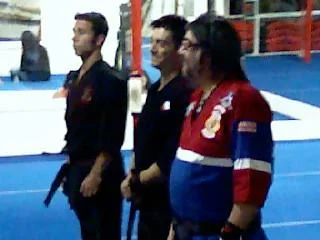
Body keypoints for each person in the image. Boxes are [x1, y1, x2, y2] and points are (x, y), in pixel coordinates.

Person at [169, 13, 273, 240]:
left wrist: (230, 232)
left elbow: (251, 179)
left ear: (206, 56)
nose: (180, 52)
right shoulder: (198, 99)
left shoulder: (243, 100)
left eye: (187, 45)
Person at [121, 15, 191, 240]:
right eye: (152, 42)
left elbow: (171, 153)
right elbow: (141, 139)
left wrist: (137, 180)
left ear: (179, 49)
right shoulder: (154, 91)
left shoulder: (183, 94)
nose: (153, 49)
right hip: (147, 198)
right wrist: (132, 174)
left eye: (162, 43)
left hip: (168, 201)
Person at [63, 12, 127, 240]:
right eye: (74, 32)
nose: (74, 38)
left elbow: (113, 133)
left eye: (81, 32)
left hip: (100, 172)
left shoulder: (110, 80)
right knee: (88, 232)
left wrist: (96, 174)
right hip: (79, 166)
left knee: (104, 233)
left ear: (99, 39)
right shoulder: (76, 78)